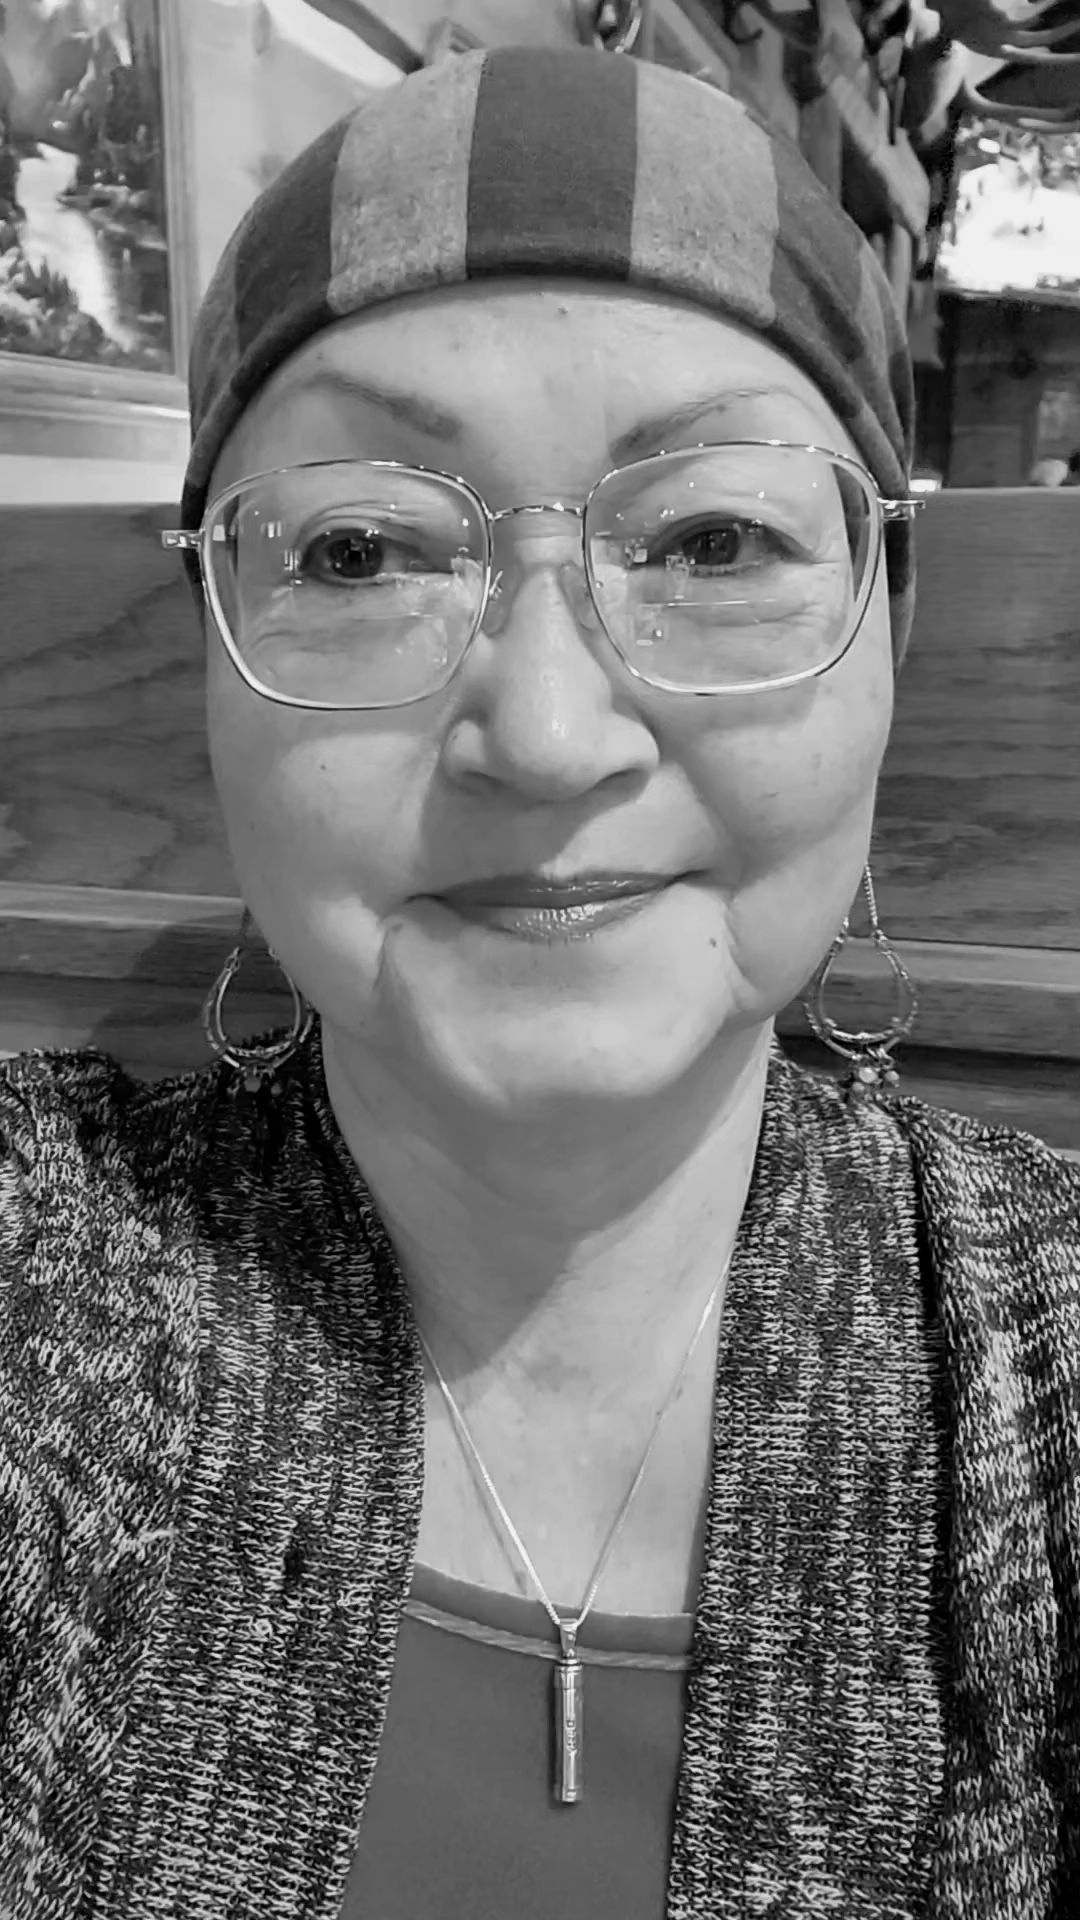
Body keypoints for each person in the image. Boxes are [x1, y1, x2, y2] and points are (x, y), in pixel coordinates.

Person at [1, 44, 1078, 1920]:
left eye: (717, 540)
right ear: (214, 660)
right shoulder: (45, 1269)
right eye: (360, 553)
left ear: (882, 637)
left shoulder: (1037, 1358)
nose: (553, 732)